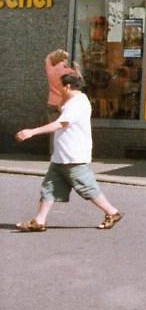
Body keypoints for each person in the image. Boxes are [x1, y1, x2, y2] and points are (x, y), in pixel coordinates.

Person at [14, 71, 123, 232]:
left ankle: (112, 212)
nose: (60, 90)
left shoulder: (77, 104)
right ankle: (39, 221)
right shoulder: (74, 101)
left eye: (61, 87)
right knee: (49, 188)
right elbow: (63, 112)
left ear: (68, 86)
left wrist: (32, 132)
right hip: (61, 157)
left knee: (86, 187)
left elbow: (60, 124)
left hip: (73, 156)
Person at [44, 48, 75, 119]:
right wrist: (77, 70)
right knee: (64, 127)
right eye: (66, 59)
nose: (67, 61)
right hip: (63, 102)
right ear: (63, 60)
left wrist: (57, 53)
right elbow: (79, 82)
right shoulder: (68, 71)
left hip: (52, 102)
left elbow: (47, 58)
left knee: (53, 126)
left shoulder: (50, 69)